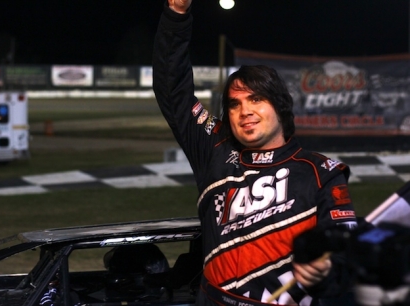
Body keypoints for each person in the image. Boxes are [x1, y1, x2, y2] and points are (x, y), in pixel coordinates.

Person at [152, 0, 358, 305]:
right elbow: (173, 91)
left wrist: (327, 265)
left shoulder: (321, 172)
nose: (244, 111)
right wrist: (176, 15)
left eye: (256, 99)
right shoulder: (215, 149)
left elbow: (345, 245)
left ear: (280, 105)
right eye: (234, 104)